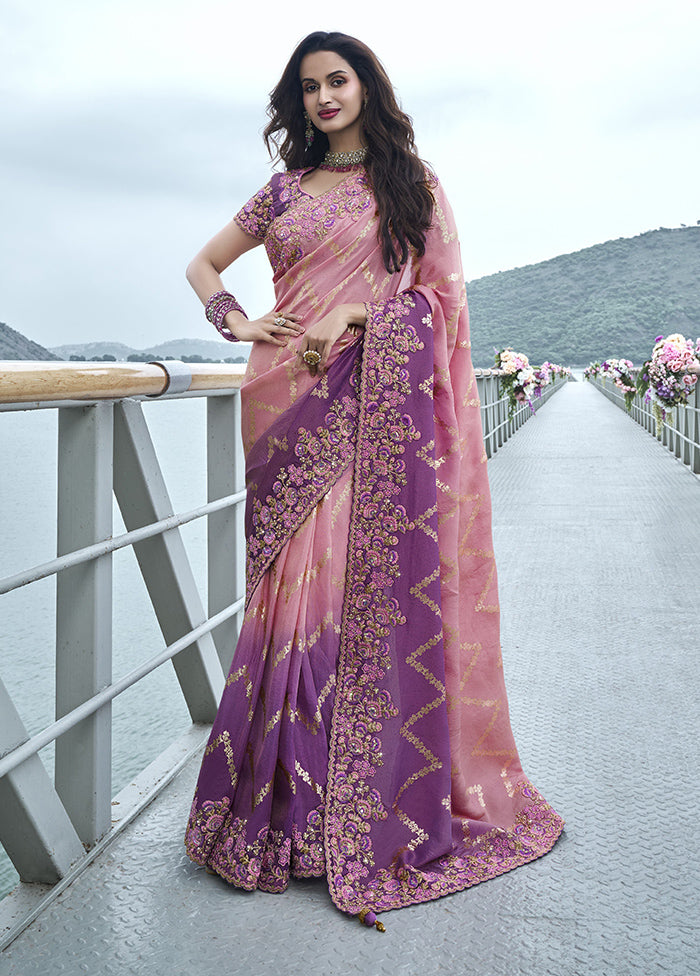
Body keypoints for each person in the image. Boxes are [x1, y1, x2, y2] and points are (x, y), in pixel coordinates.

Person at [184, 30, 563, 929]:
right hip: (282, 403)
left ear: (364, 86)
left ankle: (338, 810)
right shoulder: (281, 191)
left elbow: (442, 301)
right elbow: (203, 264)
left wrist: (362, 308)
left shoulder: (411, 184)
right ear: (296, 101)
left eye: (337, 80)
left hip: (367, 408)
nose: (323, 98)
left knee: (349, 600)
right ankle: (274, 810)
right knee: (283, 600)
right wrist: (238, 322)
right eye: (308, 87)